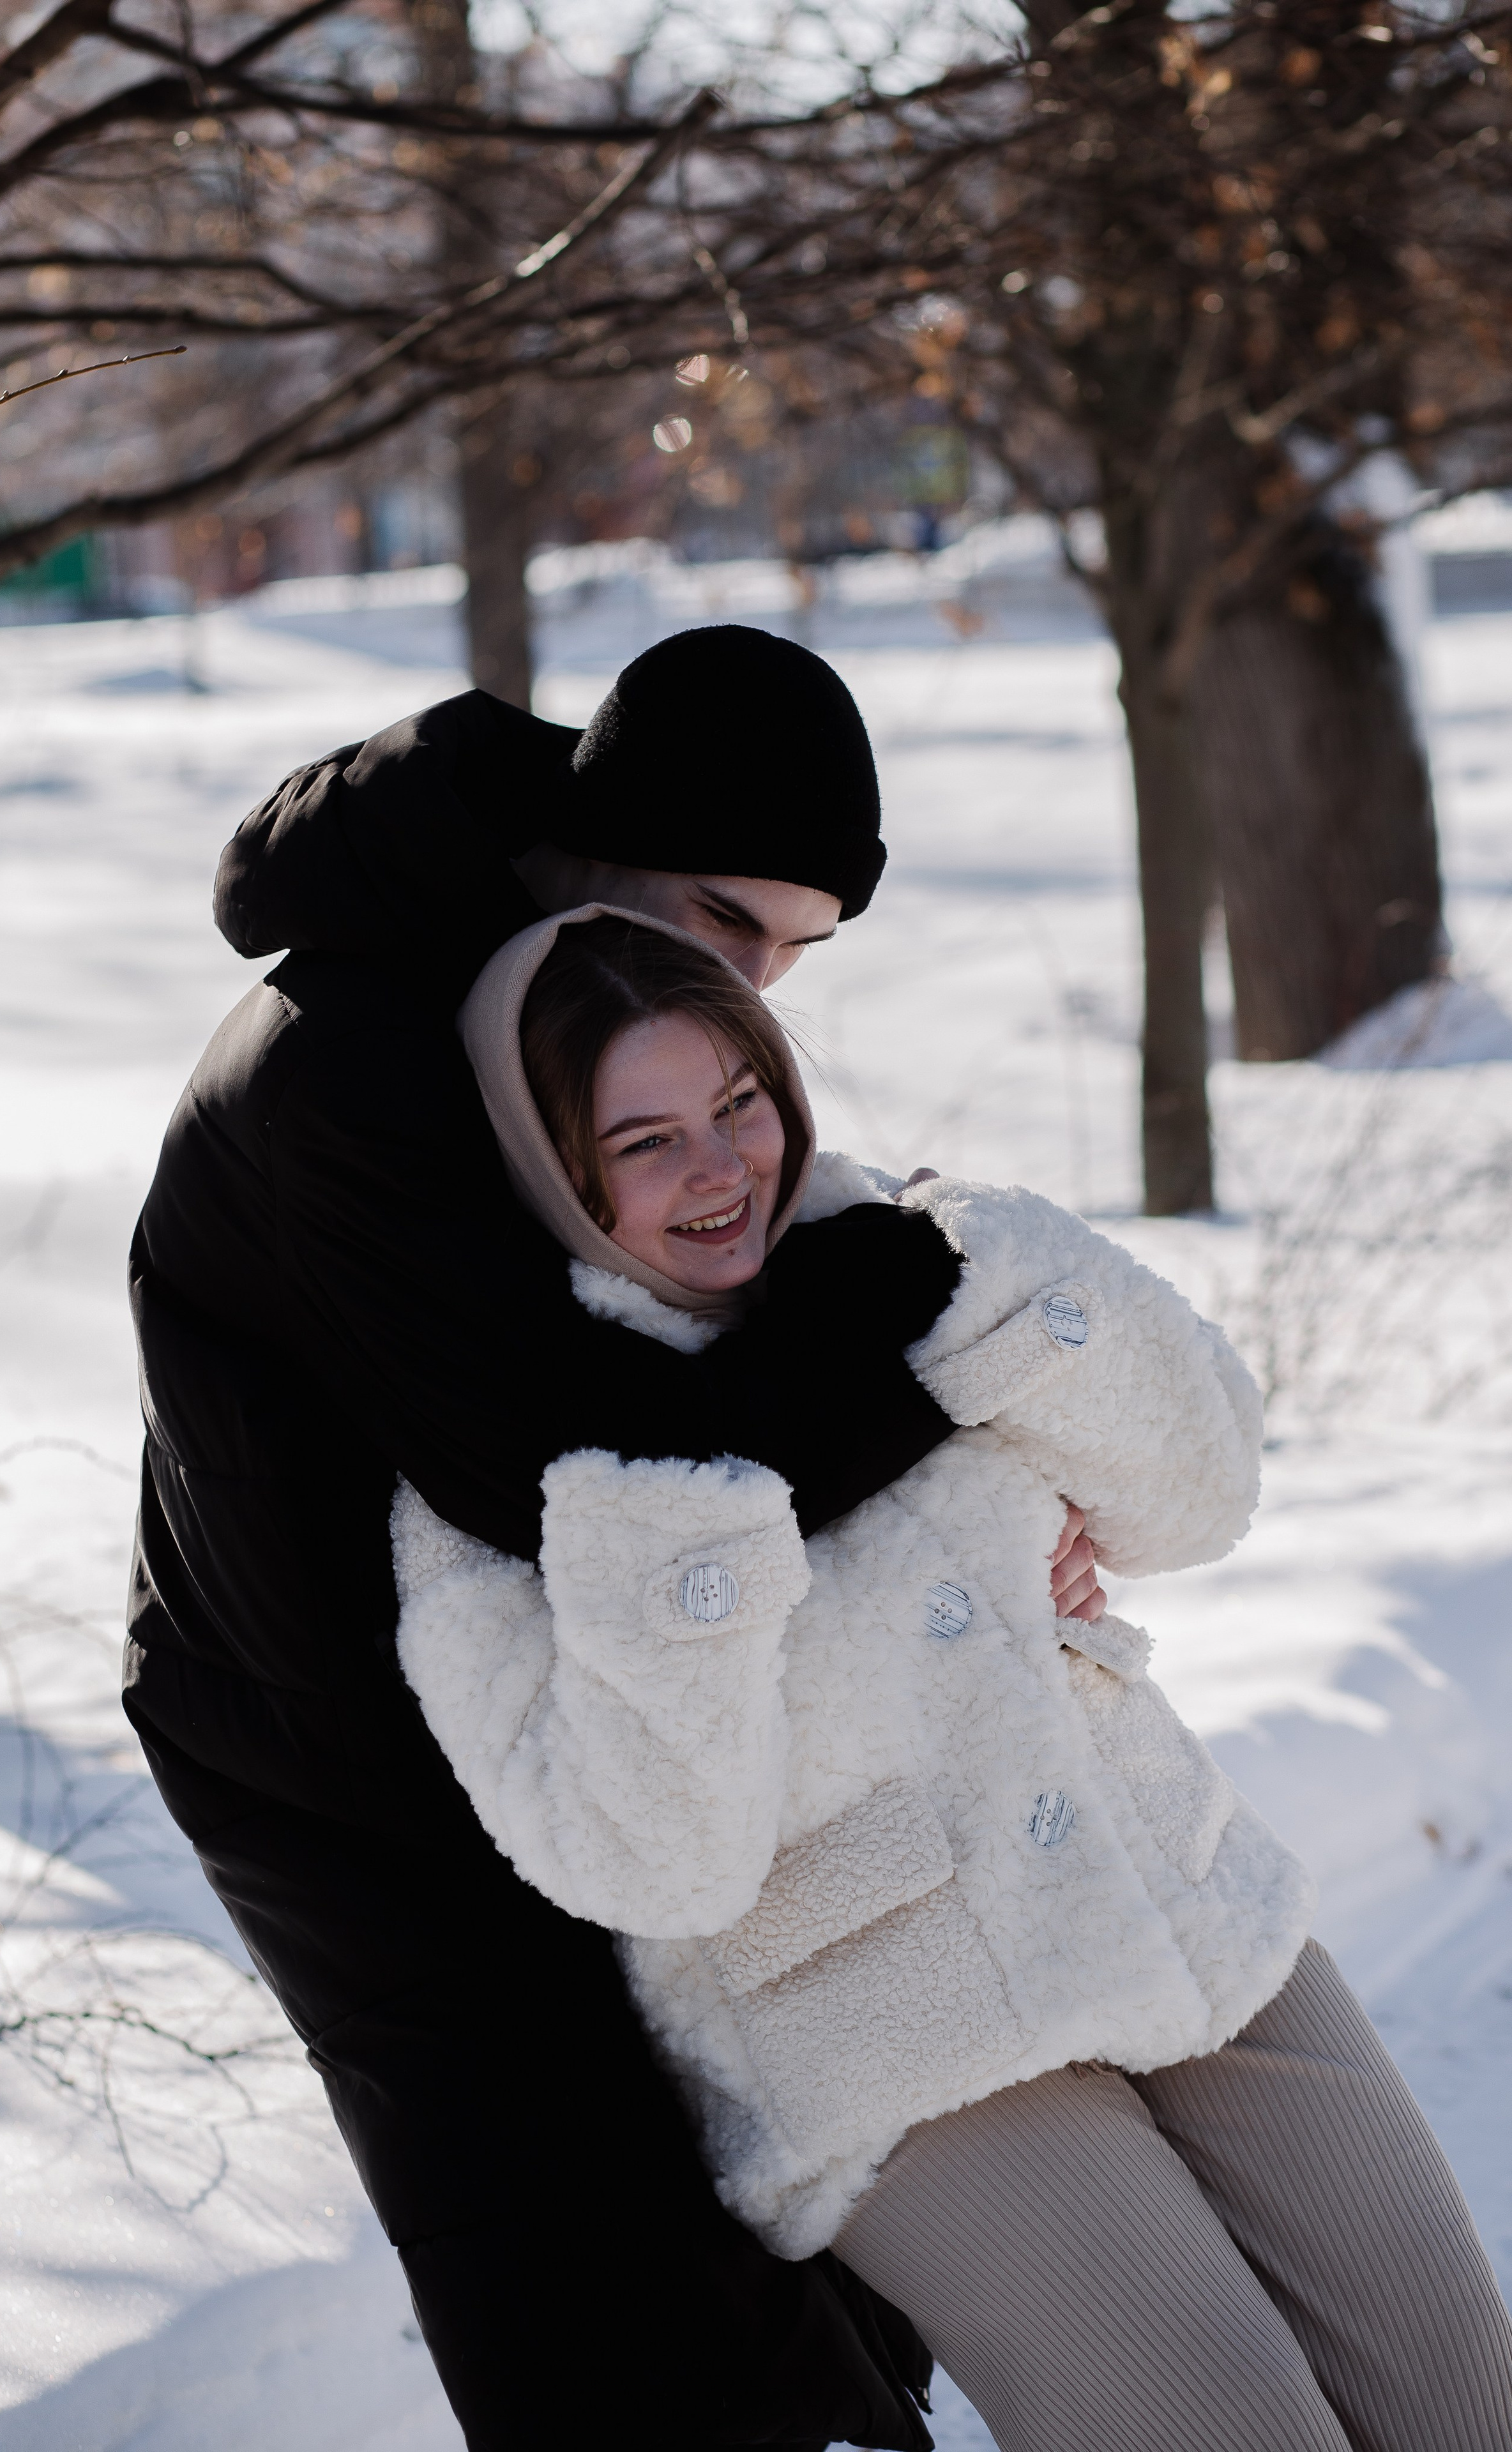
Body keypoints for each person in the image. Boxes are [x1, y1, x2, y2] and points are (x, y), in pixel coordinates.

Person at [126, 625, 1103, 2450]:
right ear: (612, 832)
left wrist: (994, 1490)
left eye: (790, 956)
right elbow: (607, 1472)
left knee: (775, 2210)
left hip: (583, 1693)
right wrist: (928, 1357)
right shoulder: (350, 1066)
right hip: (349, 1764)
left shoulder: (580, 994)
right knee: (581, 2264)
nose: (749, 988)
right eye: (733, 920)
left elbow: (720, 1325)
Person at [393, 904, 1512, 2452]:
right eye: (643, 1143)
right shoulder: (500, 1468)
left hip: (1169, 1895)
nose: (723, 1173)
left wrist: (969, 1300)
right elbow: (649, 1859)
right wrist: (703, 1486)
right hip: (889, 2030)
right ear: (549, 1168)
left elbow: (1194, 1493)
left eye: (739, 1103)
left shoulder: (887, 1249)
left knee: (1461, 2395)